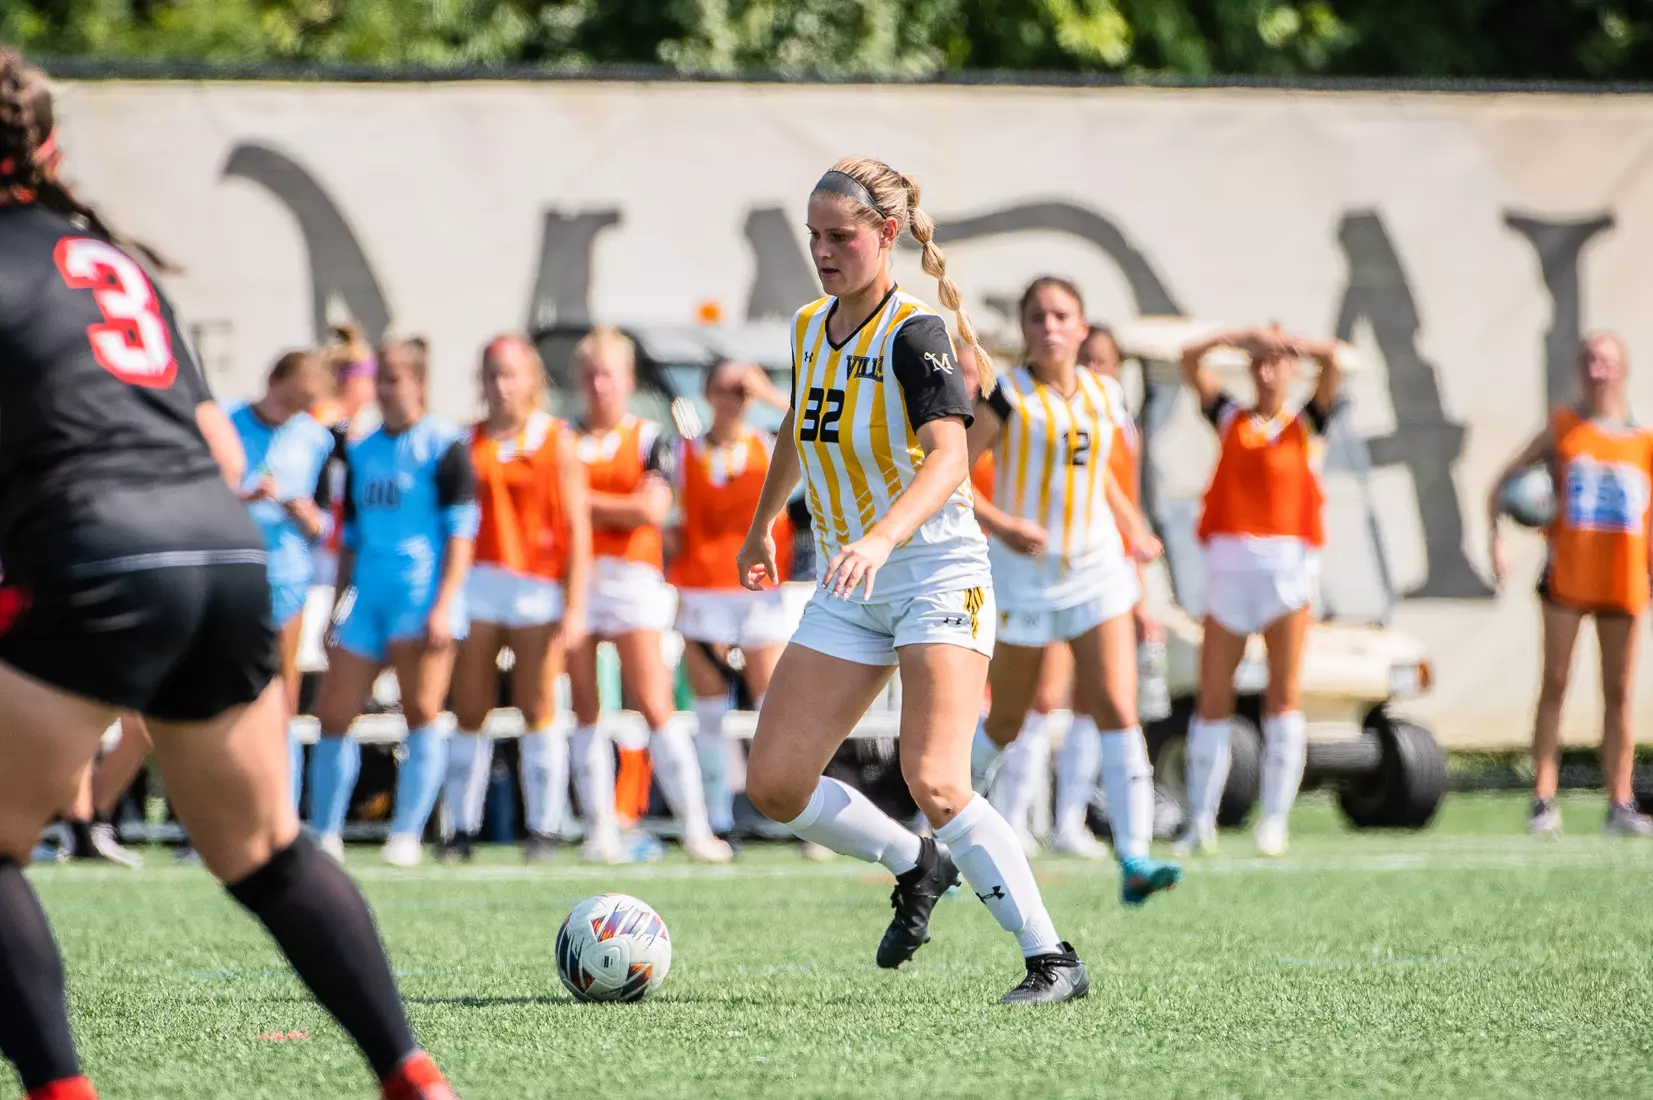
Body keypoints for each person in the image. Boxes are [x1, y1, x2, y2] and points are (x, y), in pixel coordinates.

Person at [0, 49, 456, 1100]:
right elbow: (216, 445)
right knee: (267, 853)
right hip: (223, 551)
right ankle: (414, 1078)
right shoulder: (107, 260)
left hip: (98, 553)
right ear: (50, 149)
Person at [737, 157, 1087, 1004]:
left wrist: (881, 536)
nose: (823, 251)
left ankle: (1052, 960)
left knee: (935, 778)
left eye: (840, 236)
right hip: (853, 582)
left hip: (933, 572)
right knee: (775, 785)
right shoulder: (808, 325)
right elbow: (797, 426)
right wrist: (762, 523)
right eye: (814, 236)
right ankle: (914, 864)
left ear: (887, 234)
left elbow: (950, 457)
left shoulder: (914, 332)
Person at [965, 277, 1180, 905]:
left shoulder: (1106, 392)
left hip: (1096, 569)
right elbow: (950, 474)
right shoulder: (1007, 394)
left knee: (1116, 704)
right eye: (1037, 316)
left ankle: (1134, 858)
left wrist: (1133, 526)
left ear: (1082, 328)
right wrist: (1004, 526)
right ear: (1024, 328)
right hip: (1025, 580)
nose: (1049, 327)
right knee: (1008, 719)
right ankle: (943, 831)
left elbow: (1100, 473)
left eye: (1061, 316)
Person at [1172, 324, 1342, 858]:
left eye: (1278, 362)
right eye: (1260, 362)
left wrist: (1296, 343)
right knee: (1213, 695)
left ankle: (1274, 821)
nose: (1268, 370)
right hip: (1230, 568)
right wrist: (1240, 337)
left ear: (1292, 369)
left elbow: (1334, 360)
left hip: (1286, 571)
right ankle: (1200, 820)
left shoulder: (1306, 423)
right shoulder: (1231, 417)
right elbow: (1189, 359)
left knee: (1282, 696)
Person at [308, 337, 479, 869]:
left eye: (395, 379)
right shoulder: (361, 449)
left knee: (421, 712)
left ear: (419, 384)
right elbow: (350, 537)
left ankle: (406, 834)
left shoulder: (445, 444)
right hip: (368, 599)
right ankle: (324, 835)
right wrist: (336, 605)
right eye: (379, 379)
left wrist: (444, 604)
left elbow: (462, 532)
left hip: (419, 595)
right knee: (333, 714)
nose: (384, 390)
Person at [567, 327, 732, 864]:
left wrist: (580, 501)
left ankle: (696, 827)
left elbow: (652, 510)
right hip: (575, 578)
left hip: (632, 578)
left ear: (627, 380)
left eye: (608, 374)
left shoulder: (648, 437)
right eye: (590, 375)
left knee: (655, 703)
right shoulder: (563, 437)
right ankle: (599, 828)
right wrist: (610, 507)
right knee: (585, 708)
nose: (599, 385)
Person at [1488, 333, 1653, 837]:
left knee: (1619, 693)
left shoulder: (1643, 441)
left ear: (1623, 369)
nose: (1597, 370)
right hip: (1568, 579)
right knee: (1555, 683)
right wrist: (1497, 540)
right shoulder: (1563, 427)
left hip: (1624, 580)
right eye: (1589, 361)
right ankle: (1543, 799)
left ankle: (1620, 802)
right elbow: (1500, 485)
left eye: (1606, 361)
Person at [442, 335, 591, 862]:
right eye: (492, 375)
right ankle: (459, 828)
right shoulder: (466, 440)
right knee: (469, 708)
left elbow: (577, 527)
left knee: (539, 708)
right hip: (480, 584)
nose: (501, 385)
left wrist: (576, 604)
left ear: (531, 379)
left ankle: (543, 828)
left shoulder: (556, 438)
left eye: (511, 374)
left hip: (536, 586)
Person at [671, 360, 792, 838]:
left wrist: (768, 394)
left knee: (774, 704)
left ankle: (789, 811)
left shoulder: (769, 446)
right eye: (724, 389)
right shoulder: (683, 451)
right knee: (710, 713)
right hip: (703, 590)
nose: (734, 399)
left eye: (742, 391)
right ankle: (717, 817)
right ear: (706, 394)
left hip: (760, 591)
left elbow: (816, 430)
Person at [230, 350, 338, 812]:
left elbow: (325, 525)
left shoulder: (316, 439)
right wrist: (243, 496)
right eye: (289, 399)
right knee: (228, 697)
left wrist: (304, 514)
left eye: (303, 404)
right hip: (233, 576)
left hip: (287, 579)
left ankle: (281, 812)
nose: (292, 412)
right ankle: (224, 812)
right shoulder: (226, 422)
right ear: (271, 380)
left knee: (282, 700)